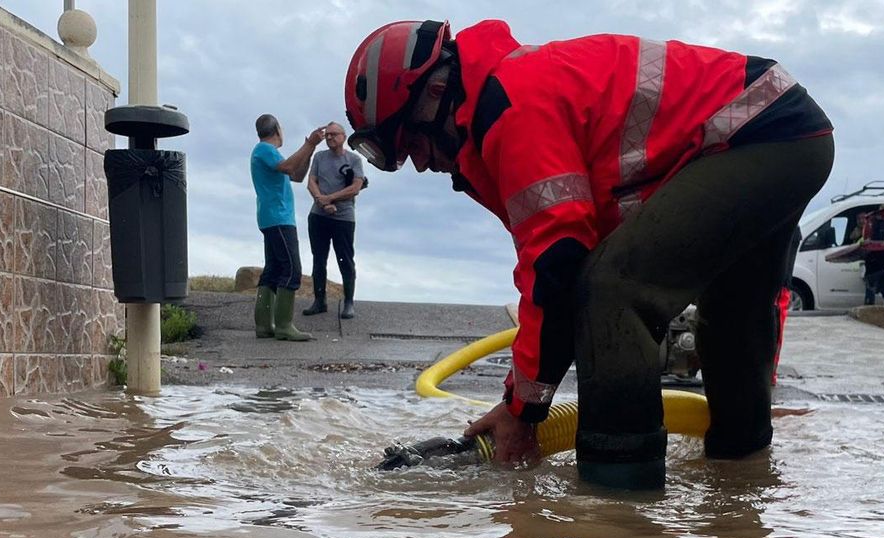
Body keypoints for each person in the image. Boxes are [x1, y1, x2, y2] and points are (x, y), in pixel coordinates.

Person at [344, 20, 834, 490]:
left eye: (410, 141)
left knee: (611, 292)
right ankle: (741, 490)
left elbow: (557, 265)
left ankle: (615, 521)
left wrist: (523, 412)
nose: (419, 163)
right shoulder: (503, 103)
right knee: (731, 320)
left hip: (759, 131)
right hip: (786, 133)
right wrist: (526, 401)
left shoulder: (512, 107)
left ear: (435, 91)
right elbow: (560, 253)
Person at [249, 114, 325, 341]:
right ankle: (284, 325)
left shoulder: (267, 154)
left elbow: (297, 174)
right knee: (291, 270)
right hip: (279, 218)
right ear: (277, 130)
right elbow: (288, 166)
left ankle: (264, 325)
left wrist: (310, 151)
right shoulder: (265, 150)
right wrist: (309, 143)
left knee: (273, 270)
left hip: (272, 218)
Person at [303, 122, 369, 319]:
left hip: (343, 217)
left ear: (343, 136)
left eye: (334, 134)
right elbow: (311, 182)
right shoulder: (319, 157)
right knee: (319, 258)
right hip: (319, 215)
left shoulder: (354, 159)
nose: (330, 138)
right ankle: (319, 300)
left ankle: (348, 302)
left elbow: (355, 187)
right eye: (327, 135)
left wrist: (330, 198)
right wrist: (323, 203)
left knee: (345, 259)